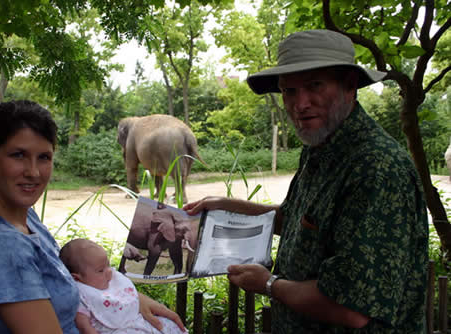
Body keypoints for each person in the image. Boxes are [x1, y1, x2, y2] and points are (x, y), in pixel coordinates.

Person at [183, 29, 429, 333]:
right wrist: (224, 206)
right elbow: (296, 221)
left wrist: (269, 284)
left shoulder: (376, 168)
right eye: (289, 91)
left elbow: (352, 308)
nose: (300, 104)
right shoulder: (321, 147)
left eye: (314, 86)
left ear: (349, 86)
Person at [0, 100, 185, 334]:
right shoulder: (1, 245)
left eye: (44, 157)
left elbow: (63, 277)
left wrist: (126, 300)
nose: (33, 172)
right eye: (18, 155)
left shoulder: (20, 215)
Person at [59, 238, 188, 334]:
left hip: (138, 321)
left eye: (108, 265)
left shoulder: (111, 280)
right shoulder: (82, 294)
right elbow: (84, 327)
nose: (109, 271)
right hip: (116, 330)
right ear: (77, 277)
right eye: (100, 270)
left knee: (170, 325)